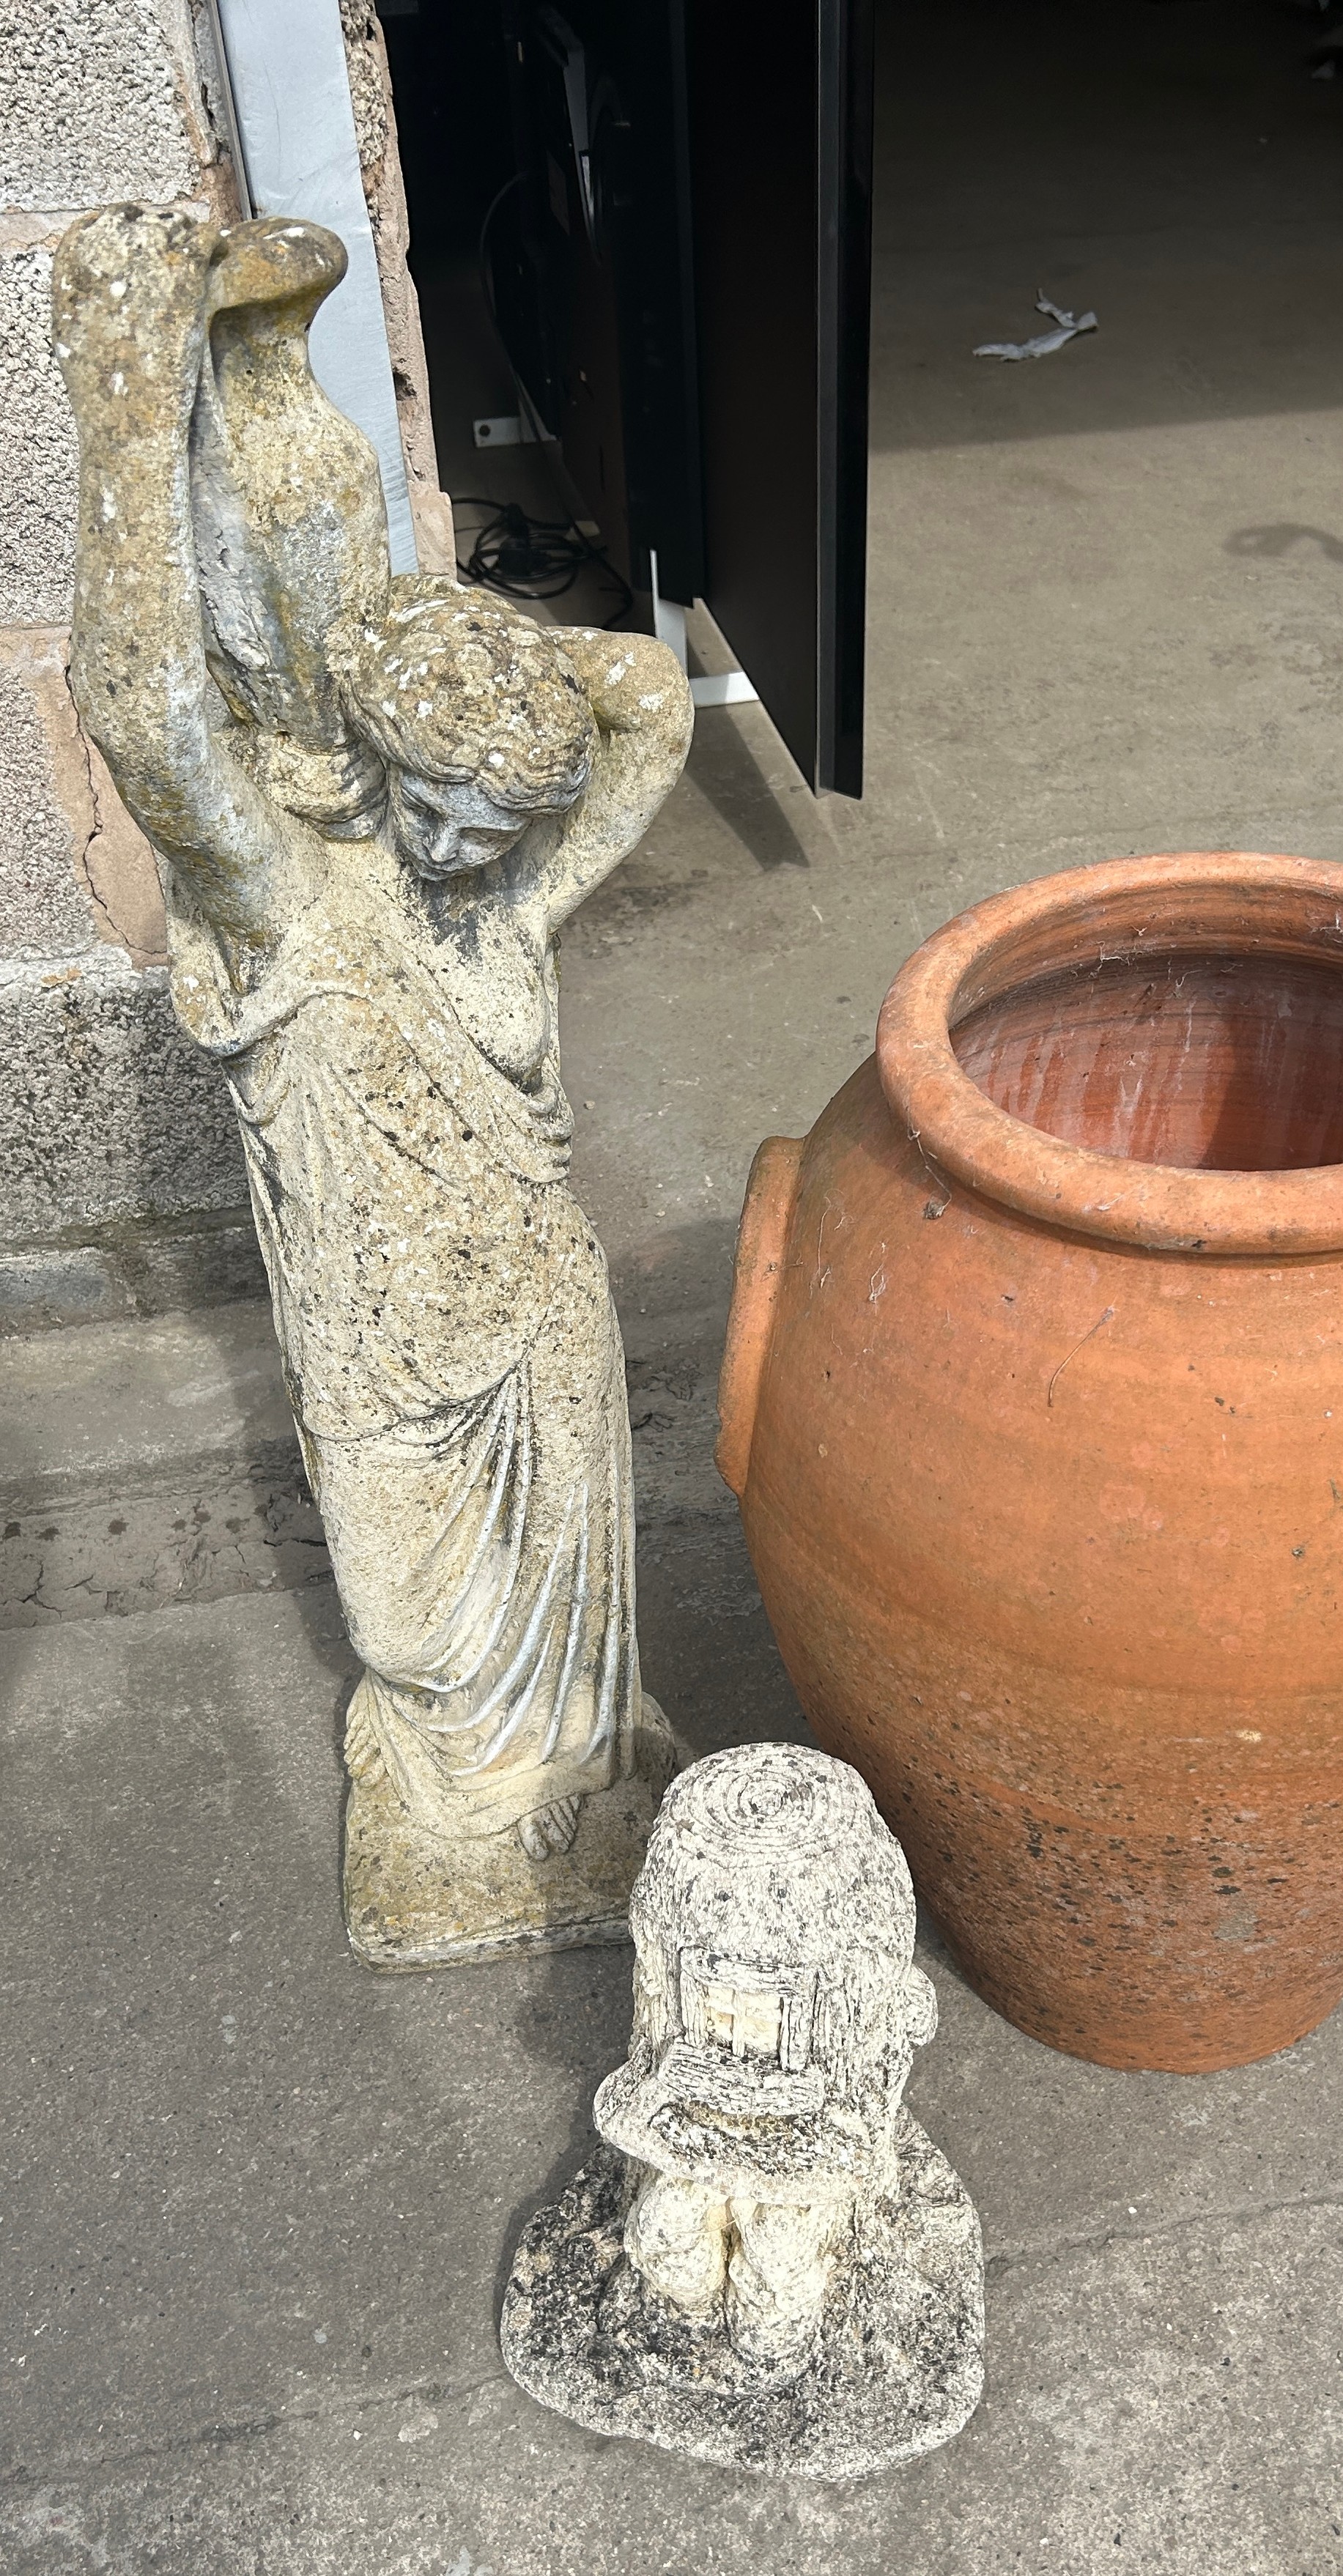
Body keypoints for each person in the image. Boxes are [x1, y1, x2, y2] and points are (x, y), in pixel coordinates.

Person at [53, 203, 692, 1868]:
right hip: (381, 1347)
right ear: (387, 771)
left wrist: (486, 685)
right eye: (461, 817)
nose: (492, 855)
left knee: (574, 1694)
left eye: (507, 824)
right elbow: (147, 714)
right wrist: (125, 409)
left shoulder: (496, 896)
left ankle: (559, 1792)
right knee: (415, 1642)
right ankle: (454, 1795)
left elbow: (643, 704)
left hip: (537, 1323)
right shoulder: (288, 904)